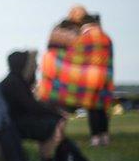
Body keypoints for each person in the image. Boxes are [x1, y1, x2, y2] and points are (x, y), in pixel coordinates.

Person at [0, 50, 89, 161]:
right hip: (15, 125)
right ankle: (53, 158)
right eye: (33, 64)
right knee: (54, 124)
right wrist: (55, 112)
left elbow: (32, 106)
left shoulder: (15, 80)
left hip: (16, 121)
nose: (36, 67)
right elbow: (32, 107)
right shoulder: (15, 82)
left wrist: (54, 112)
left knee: (55, 122)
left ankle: (57, 157)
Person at [39, 12, 114, 147]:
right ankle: (105, 136)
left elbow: (75, 57)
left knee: (92, 109)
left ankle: (96, 138)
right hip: (104, 79)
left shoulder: (85, 37)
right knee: (101, 109)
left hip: (89, 78)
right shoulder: (106, 38)